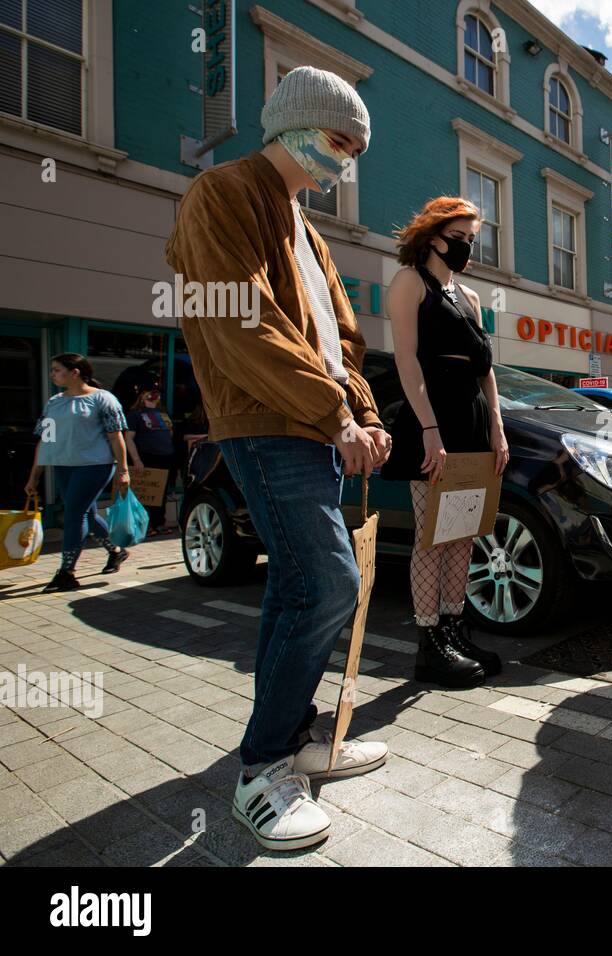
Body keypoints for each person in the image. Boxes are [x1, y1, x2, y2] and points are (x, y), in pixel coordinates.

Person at [164, 66, 392, 851]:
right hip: (270, 424)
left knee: (297, 587)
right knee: (331, 582)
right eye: (338, 140)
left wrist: (361, 412)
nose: (347, 160)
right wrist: (337, 414)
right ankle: (263, 771)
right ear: (290, 122)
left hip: (311, 428)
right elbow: (241, 323)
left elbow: (343, 342)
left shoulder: (308, 229)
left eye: (356, 148)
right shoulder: (223, 194)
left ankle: (292, 739)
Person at [383, 196, 509, 687]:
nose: (469, 247)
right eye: (461, 238)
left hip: (472, 424)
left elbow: (486, 370)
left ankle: (455, 631)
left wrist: (497, 425)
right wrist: (430, 429)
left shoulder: (471, 297)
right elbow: (407, 362)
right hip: (430, 424)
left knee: (463, 532)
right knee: (432, 534)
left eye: (473, 239)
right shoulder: (409, 282)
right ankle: (428, 644)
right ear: (434, 237)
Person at [25, 354, 131, 592]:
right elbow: (46, 440)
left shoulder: (103, 399)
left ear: (75, 372)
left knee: (74, 513)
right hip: (64, 466)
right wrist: (35, 475)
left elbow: (116, 436)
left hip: (95, 466)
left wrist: (123, 470)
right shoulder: (54, 402)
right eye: (51, 370)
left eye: (56, 370)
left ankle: (67, 572)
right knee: (87, 514)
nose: (52, 374)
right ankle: (116, 551)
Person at [124, 376, 178, 534]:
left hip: (166, 457)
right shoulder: (135, 414)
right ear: (141, 394)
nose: (154, 395)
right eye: (150, 392)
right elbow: (129, 438)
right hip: (147, 457)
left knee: (160, 493)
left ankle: (159, 523)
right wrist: (137, 459)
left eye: (156, 392)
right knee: (147, 495)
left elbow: (170, 433)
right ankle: (147, 526)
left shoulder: (163, 412)